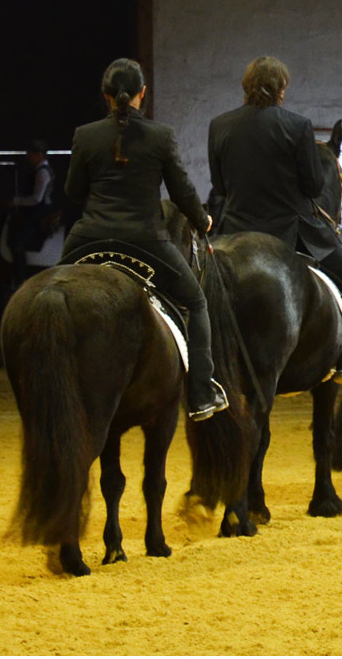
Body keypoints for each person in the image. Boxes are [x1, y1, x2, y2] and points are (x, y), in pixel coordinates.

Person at [63, 58, 228, 421]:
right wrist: (203, 220)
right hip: (145, 243)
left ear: (106, 96)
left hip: (87, 239)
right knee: (197, 303)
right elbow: (182, 192)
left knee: (51, 296)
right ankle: (201, 392)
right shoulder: (161, 136)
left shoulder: (84, 135)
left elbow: (74, 191)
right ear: (142, 94)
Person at [209, 56, 342, 389]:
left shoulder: (219, 125)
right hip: (291, 231)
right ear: (281, 90)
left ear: (245, 87)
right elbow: (314, 187)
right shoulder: (297, 125)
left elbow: (219, 187)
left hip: (235, 232)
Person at [6, 138, 56, 286]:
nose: (29, 158)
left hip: (39, 211)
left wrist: (15, 201)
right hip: (38, 208)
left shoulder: (42, 172)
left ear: (39, 154)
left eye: (31, 155)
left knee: (17, 244)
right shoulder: (40, 170)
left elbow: (36, 199)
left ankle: (20, 280)